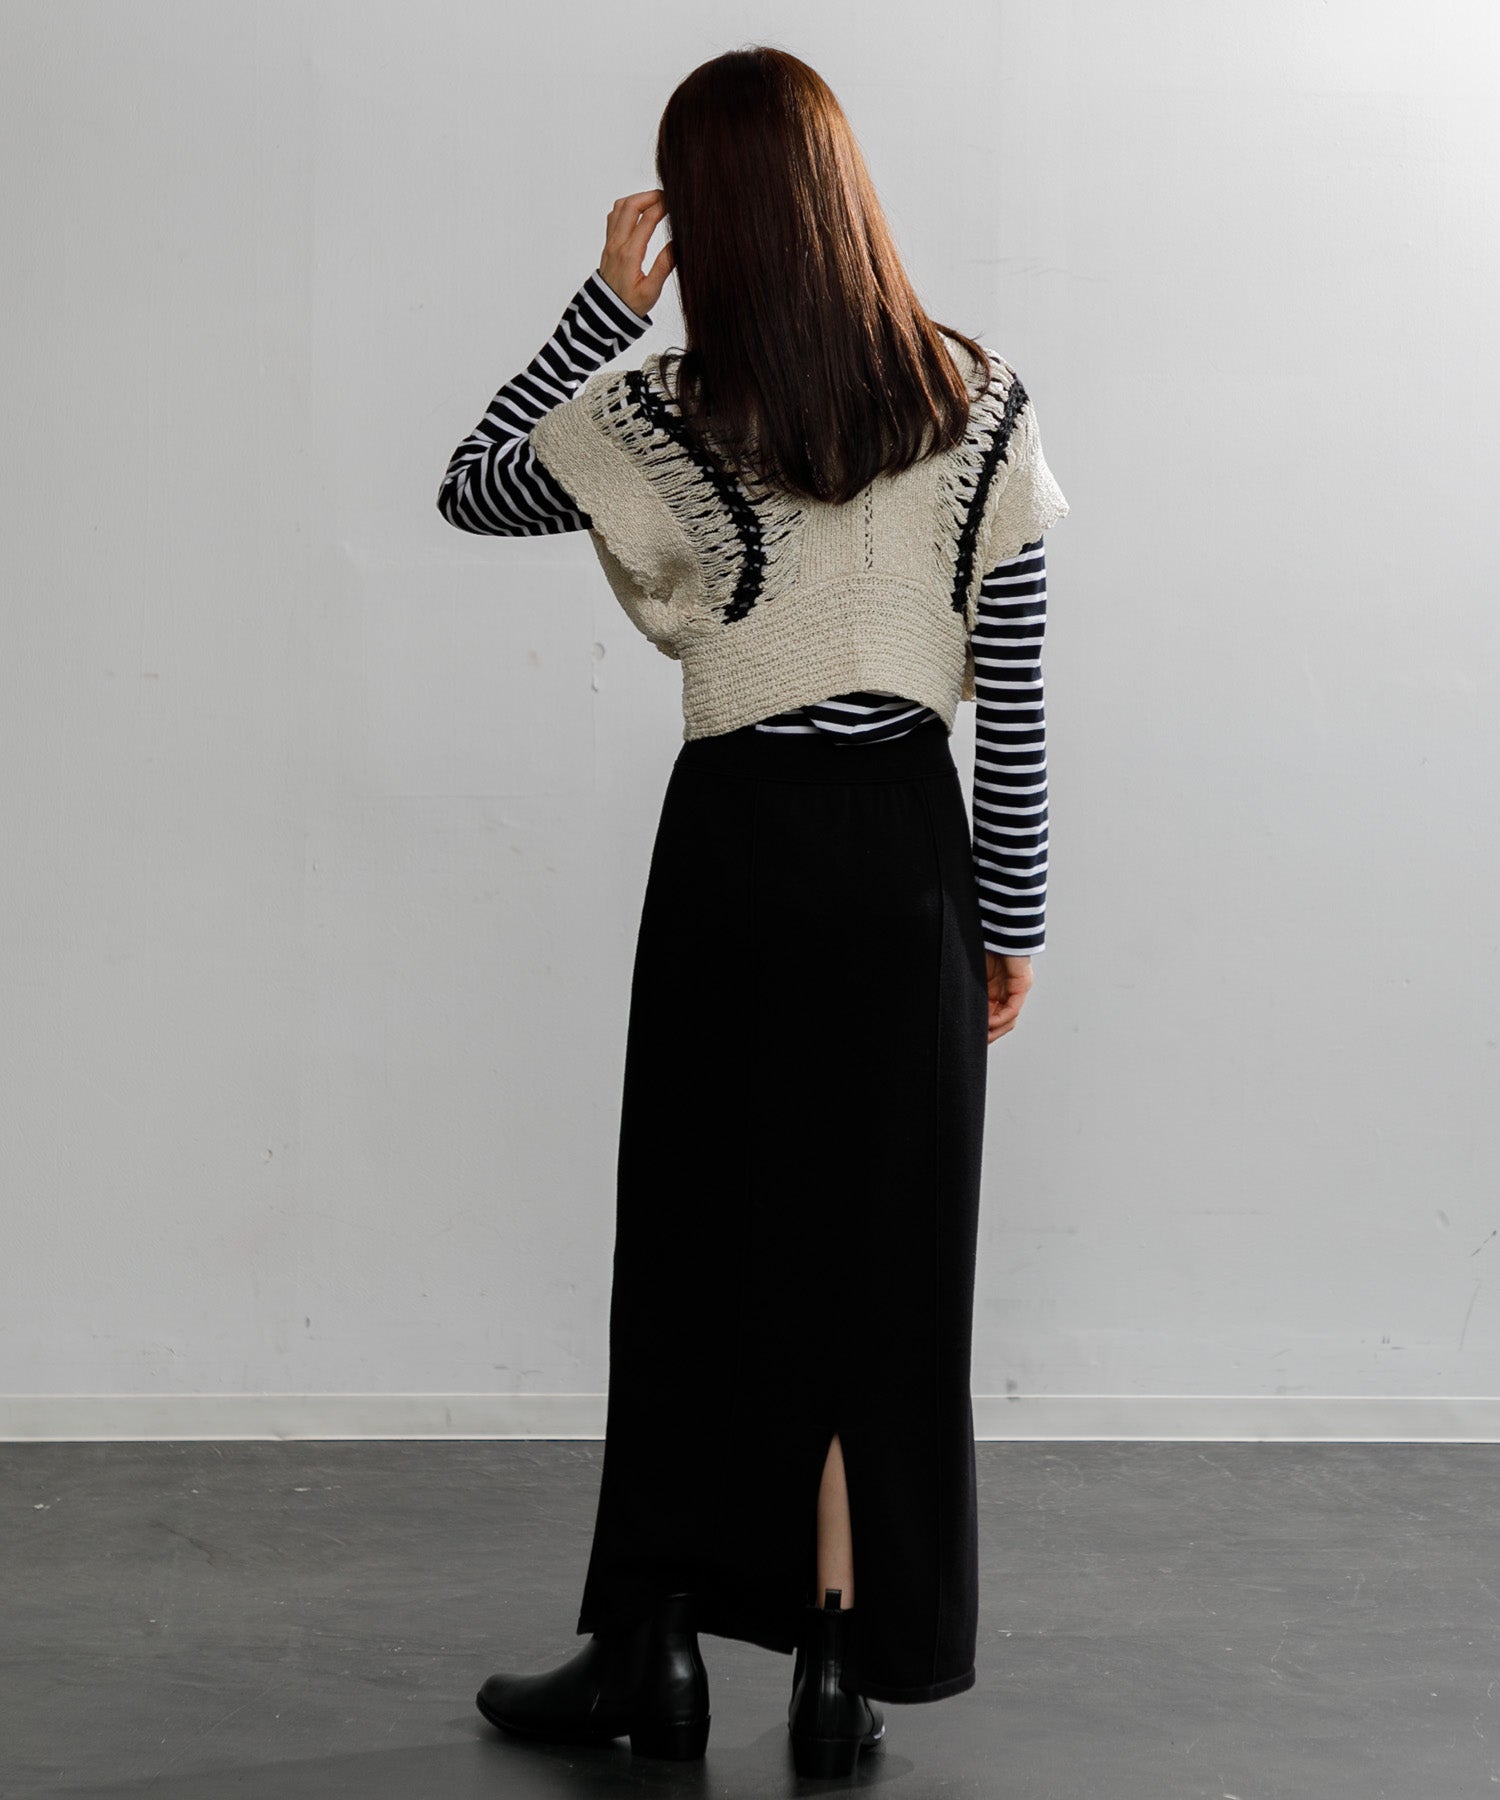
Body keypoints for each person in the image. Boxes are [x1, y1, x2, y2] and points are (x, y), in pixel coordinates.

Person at [435, 45, 1068, 1777]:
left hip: (736, 849)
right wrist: (1010, 921)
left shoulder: (665, 411)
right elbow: (1012, 693)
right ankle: (836, 1670)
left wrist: (602, 303)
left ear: (701, 216)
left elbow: (477, 480)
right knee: (884, 1271)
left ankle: (653, 1648)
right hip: (908, 861)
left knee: (699, 1251)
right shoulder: (981, 404)